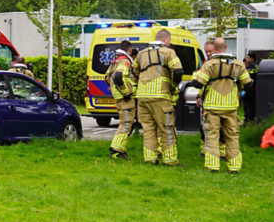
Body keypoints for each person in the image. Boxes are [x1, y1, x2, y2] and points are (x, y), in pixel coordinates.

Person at [189, 38, 253, 173]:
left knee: (212, 137)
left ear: (214, 48)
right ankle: (234, 167)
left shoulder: (209, 64)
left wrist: (195, 77)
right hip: (231, 107)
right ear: (226, 46)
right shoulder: (238, 64)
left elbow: (198, 84)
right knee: (232, 137)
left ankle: (213, 166)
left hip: (212, 107)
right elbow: (248, 84)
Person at [132, 29, 183, 166]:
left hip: (142, 97)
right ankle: (170, 160)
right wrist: (173, 86)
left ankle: (150, 159)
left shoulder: (141, 53)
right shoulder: (168, 52)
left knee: (148, 129)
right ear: (166, 40)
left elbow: (133, 72)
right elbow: (178, 71)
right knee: (166, 129)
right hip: (161, 96)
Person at [105, 40, 136, 160]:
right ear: (130, 50)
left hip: (118, 97)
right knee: (126, 123)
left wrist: (116, 90)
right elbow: (119, 76)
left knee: (124, 122)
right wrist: (126, 93)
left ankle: (119, 149)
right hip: (124, 99)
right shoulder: (124, 61)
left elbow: (107, 77)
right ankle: (117, 150)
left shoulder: (115, 60)